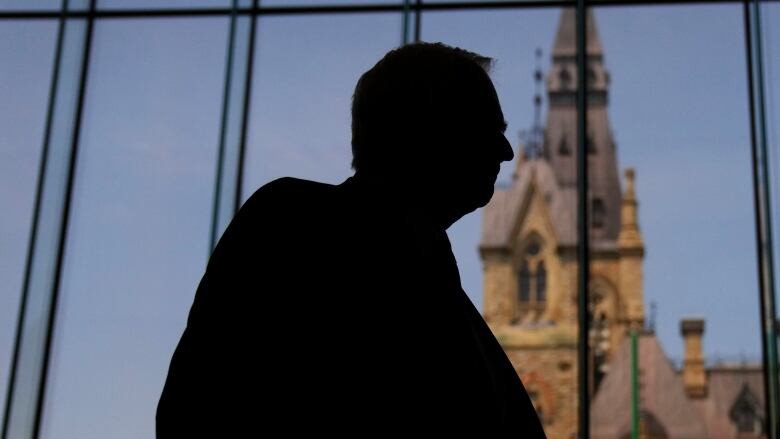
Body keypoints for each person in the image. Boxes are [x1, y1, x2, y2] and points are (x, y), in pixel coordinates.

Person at [157, 42, 546, 437]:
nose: (507, 152)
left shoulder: (435, 279)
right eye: (488, 129)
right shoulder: (294, 226)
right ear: (427, 128)